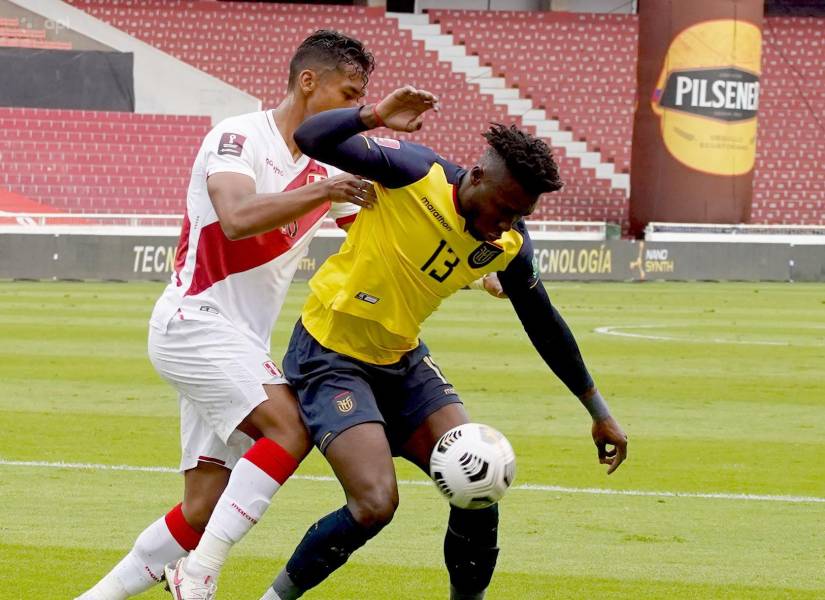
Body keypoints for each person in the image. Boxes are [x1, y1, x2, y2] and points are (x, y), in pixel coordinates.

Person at [170, 86, 629, 600]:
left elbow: (546, 326)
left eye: (518, 216)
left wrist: (598, 410)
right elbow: (310, 136)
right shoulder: (416, 172)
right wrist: (375, 115)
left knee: (479, 485)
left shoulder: (508, 243)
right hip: (329, 357)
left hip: (403, 362)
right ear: (476, 178)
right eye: (502, 209)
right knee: (374, 504)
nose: (504, 225)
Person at [75, 30, 377, 600]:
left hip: (239, 345)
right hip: (195, 322)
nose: (355, 111)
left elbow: (378, 243)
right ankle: (198, 574)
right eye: (348, 93)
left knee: (202, 506)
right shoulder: (238, 137)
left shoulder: (324, 169)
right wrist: (325, 191)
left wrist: (475, 266)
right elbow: (236, 217)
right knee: (289, 428)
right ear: (308, 82)